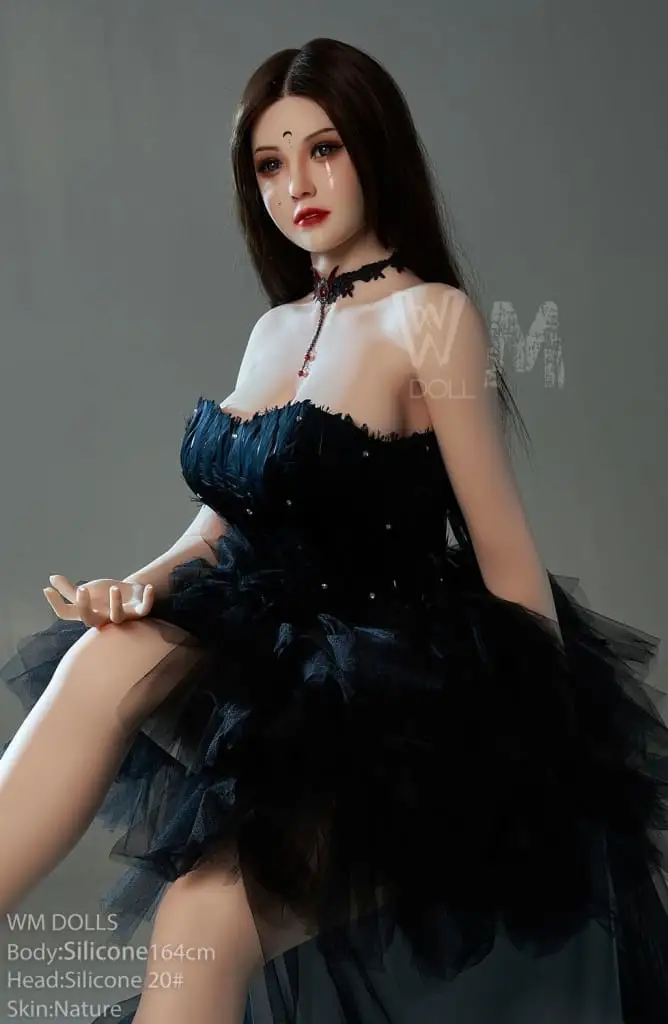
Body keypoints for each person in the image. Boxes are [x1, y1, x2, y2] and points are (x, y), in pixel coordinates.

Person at [1, 36, 667, 1024]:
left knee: (198, 919)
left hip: (398, 695)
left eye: (323, 150)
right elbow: (218, 529)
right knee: (104, 653)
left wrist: (542, 760)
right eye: (269, 164)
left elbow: (503, 554)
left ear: (373, 150)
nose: (296, 186)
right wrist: (133, 585)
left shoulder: (431, 319)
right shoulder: (274, 329)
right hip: (267, 654)